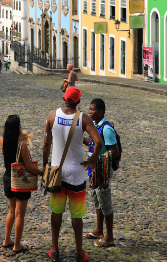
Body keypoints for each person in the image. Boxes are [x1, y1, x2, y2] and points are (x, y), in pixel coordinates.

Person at [42, 87, 102, 262]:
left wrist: (46, 164)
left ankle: (55, 250)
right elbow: (97, 142)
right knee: (77, 216)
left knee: (56, 213)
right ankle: (78, 252)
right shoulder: (83, 119)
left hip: (57, 173)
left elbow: (46, 145)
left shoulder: (52, 116)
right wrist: (91, 161)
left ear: (64, 98)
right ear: (78, 101)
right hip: (76, 174)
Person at [0, 115, 43, 254]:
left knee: (11, 211)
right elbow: (29, 166)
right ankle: (17, 245)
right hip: (20, 181)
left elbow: (7, 157)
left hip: (7, 177)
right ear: (18, 128)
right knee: (20, 215)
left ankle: (7, 239)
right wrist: (42, 173)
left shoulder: (2, 140)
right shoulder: (22, 145)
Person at [84, 98, 120, 248]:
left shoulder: (106, 129)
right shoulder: (95, 127)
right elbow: (93, 143)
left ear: (100, 111)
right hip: (94, 171)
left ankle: (109, 236)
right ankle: (99, 230)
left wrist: (98, 159)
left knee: (105, 202)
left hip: (102, 172)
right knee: (97, 200)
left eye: (92, 109)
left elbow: (114, 151)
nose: (90, 112)